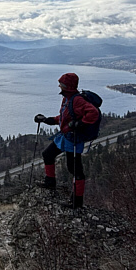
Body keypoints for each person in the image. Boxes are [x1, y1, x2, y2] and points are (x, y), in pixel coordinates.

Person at [34, 72, 99, 209]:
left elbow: (94, 113)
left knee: (75, 170)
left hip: (73, 139)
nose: (59, 86)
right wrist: (46, 120)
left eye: (61, 84)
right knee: (48, 154)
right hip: (65, 137)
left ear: (67, 86)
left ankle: (77, 201)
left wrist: (80, 124)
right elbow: (63, 118)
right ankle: (50, 182)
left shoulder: (77, 100)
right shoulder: (67, 99)